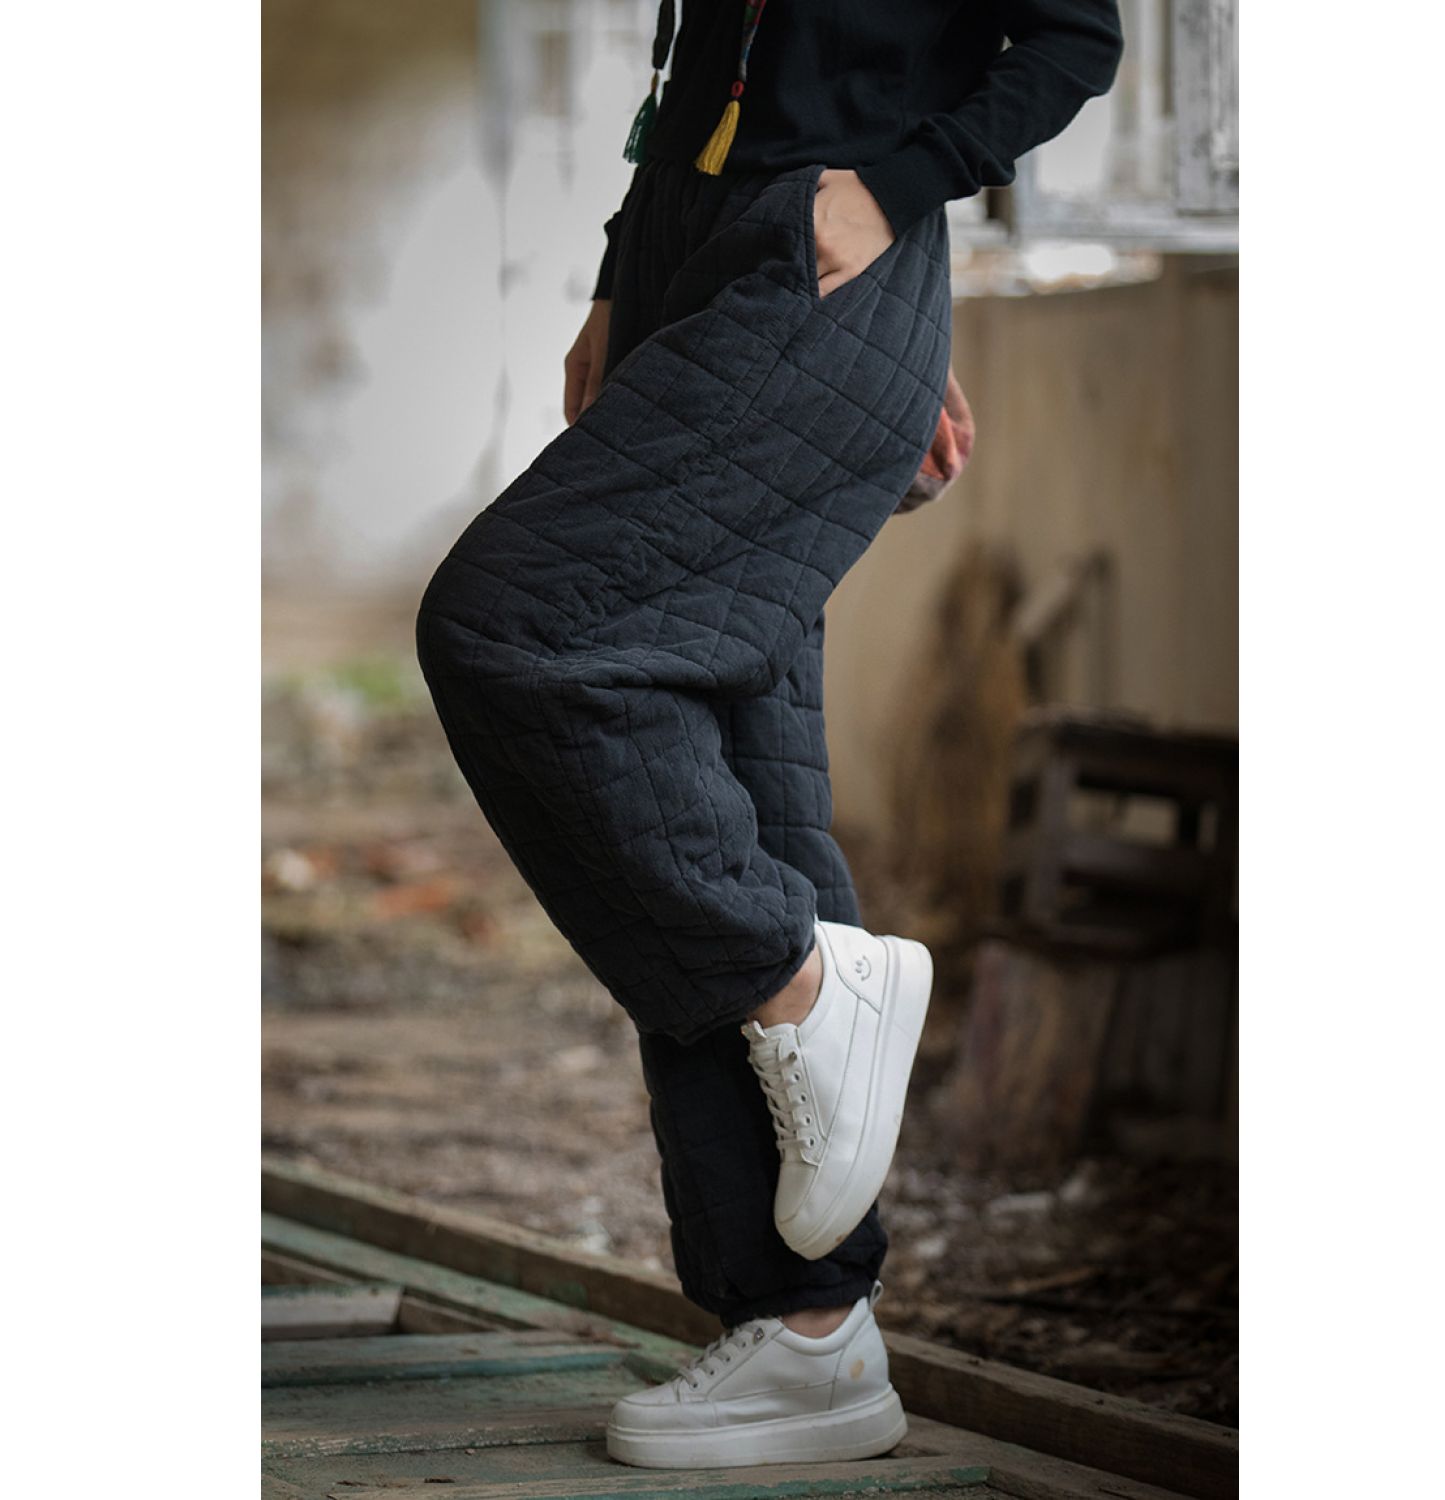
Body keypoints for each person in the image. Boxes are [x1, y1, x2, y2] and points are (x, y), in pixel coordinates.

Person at [416, 0, 1122, 1470]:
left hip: (829, 246)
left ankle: (792, 978)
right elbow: (709, 51)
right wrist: (621, 272)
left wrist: (897, 197)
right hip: (697, 253)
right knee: (732, 773)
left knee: (511, 626)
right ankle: (809, 1332)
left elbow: (1072, 35)